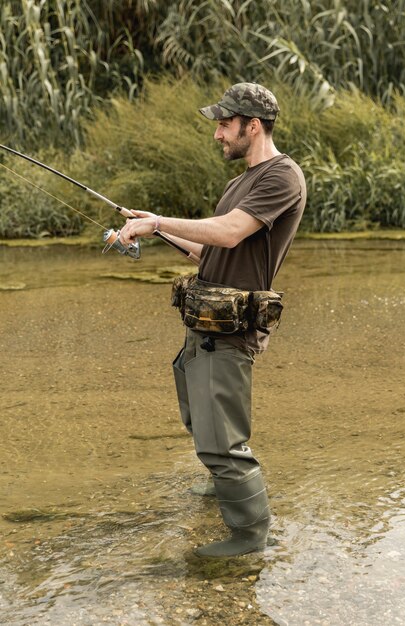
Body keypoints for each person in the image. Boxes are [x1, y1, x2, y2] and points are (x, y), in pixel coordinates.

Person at [119, 82, 306, 557]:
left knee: (225, 443)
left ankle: (250, 538)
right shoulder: (239, 181)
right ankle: (223, 491)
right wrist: (156, 228)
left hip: (230, 333)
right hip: (202, 329)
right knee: (202, 424)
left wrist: (159, 221)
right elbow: (210, 248)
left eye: (225, 124)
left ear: (253, 126)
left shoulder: (282, 176)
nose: (218, 134)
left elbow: (229, 232)